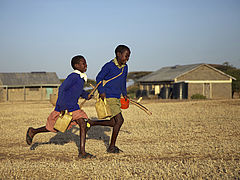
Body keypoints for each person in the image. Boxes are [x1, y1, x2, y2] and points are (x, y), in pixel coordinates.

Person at [26, 55, 94, 158]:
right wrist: (62, 106)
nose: (86, 65)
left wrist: (86, 95)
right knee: (55, 128)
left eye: (86, 63)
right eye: (83, 63)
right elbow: (62, 89)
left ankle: (82, 152)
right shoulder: (74, 76)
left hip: (74, 107)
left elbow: (78, 91)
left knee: (83, 124)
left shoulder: (80, 78)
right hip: (65, 107)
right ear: (76, 65)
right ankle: (33, 131)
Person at [88, 44, 131, 153]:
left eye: (128, 57)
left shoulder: (125, 67)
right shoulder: (109, 66)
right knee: (120, 120)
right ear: (118, 54)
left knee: (113, 122)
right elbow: (99, 78)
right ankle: (111, 147)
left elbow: (123, 82)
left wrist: (124, 93)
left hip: (117, 97)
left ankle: (92, 123)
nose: (127, 59)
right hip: (109, 96)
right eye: (126, 56)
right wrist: (101, 92)